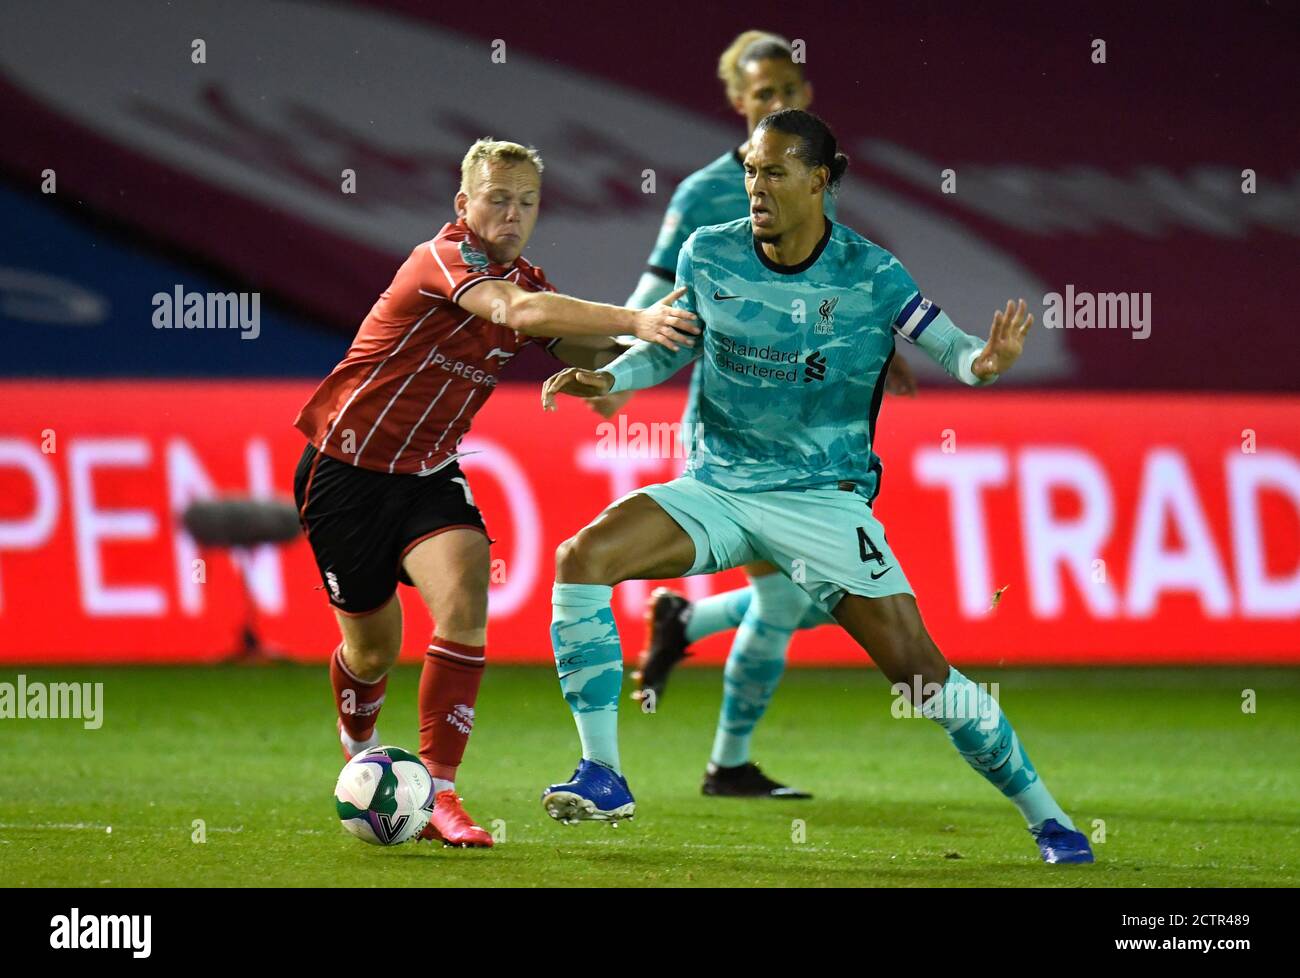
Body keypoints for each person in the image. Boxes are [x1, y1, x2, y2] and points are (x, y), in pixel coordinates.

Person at [537, 110, 1092, 864]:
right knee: (580, 559)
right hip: (718, 486)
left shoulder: (872, 274)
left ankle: (1048, 818)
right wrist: (609, 375)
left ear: (818, 181)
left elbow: (955, 348)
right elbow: (665, 350)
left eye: (774, 172)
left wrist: (982, 365)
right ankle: (603, 772)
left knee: (921, 675)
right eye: (750, 172)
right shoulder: (710, 252)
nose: (756, 188)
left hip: (822, 502)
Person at [292, 138, 697, 848]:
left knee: (466, 597)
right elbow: (519, 313)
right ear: (464, 204)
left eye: (527, 202)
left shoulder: (529, 278)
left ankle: (441, 792)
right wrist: (636, 319)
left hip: (428, 473)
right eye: (498, 199)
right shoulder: (443, 259)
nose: (512, 214)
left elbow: (587, 352)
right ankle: (360, 747)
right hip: (345, 472)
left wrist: (689, 328)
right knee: (374, 651)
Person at [608, 30, 915, 799]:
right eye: (761, 95)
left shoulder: (808, 177)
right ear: (739, 105)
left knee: (802, 599)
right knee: (790, 602)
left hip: (816, 433)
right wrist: (609, 353)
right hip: (740, 438)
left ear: (804, 95)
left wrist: (874, 341)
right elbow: (654, 302)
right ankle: (726, 762)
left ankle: (691, 637)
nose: (776, 102)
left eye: (787, 90)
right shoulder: (708, 195)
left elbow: (825, 292)